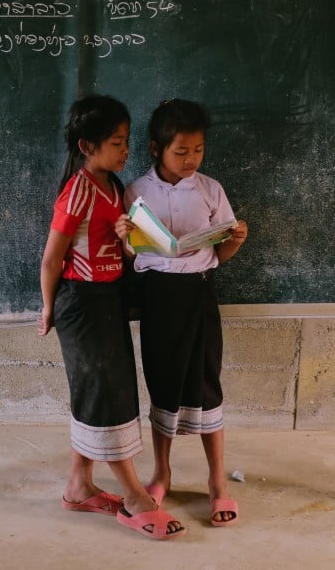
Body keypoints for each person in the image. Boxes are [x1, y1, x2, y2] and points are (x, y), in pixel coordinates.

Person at [39, 94, 185, 541]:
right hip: (80, 304)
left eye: (125, 141)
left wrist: (128, 237)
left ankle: (79, 486)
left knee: (107, 390)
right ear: (88, 146)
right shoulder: (78, 189)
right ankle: (136, 496)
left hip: (109, 299)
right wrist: (48, 309)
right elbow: (51, 260)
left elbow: (122, 251)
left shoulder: (114, 187)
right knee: (103, 395)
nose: (126, 150)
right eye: (117, 142)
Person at [124, 98, 248, 527]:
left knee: (206, 381)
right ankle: (162, 473)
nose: (191, 159)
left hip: (199, 293)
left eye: (198, 150)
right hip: (158, 295)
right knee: (164, 382)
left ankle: (218, 481)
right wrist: (126, 234)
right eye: (181, 151)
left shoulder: (211, 190)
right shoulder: (136, 191)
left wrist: (236, 239)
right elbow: (130, 250)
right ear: (156, 149)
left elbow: (224, 253)